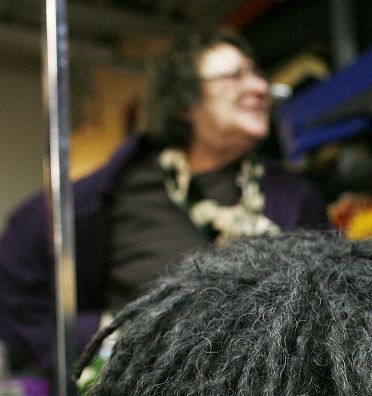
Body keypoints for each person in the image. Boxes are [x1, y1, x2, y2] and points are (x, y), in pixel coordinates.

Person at [0, 28, 329, 378]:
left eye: (256, 74)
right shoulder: (114, 191)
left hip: (270, 395)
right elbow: (13, 282)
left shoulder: (295, 195)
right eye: (234, 77)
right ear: (185, 103)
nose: (260, 87)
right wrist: (96, 340)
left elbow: (330, 300)